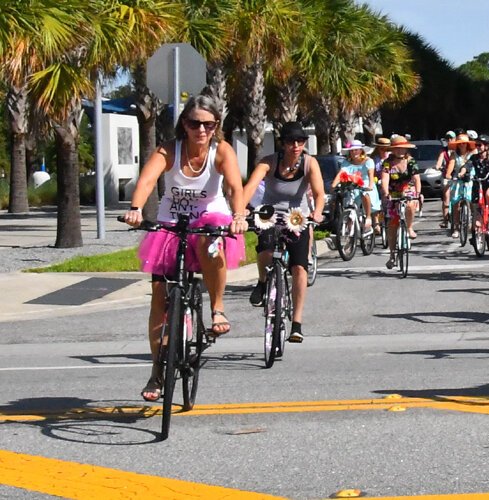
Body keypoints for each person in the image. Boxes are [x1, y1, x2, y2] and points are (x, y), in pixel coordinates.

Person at [123, 94, 248, 402]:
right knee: (159, 300)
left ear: (216, 126)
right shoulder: (169, 149)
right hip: (172, 223)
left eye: (208, 124)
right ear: (184, 124)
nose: (201, 130)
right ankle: (157, 370)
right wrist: (136, 208)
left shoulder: (222, 151)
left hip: (209, 218)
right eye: (194, 123)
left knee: (211, 239)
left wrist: (240, 214)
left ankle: (217, 307)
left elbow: (234, 187)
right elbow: (148, 180)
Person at [244, 122, 326, 344]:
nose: (296, 146)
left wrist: (317, 212)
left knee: (299, 267)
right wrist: (240, 210)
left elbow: (319, 193)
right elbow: (250, 186)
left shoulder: (310, 163)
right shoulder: (269, 162)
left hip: (298, 216)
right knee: (265, 250)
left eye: (300, 141)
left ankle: (296, 323)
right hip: (270, 214)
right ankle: (262, 282)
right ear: (282, 143)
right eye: (291, 141)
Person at [381, 136, 423, 268]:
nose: (400, 151)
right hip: (393, 192)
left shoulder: (411, 161)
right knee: (392, 225)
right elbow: (384, 180)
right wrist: (386, 193)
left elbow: (416, 179)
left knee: (410, 204)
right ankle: (392, 255)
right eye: (397, 148)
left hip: (408, 189)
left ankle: (409, 227)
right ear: (393, 150)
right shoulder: (388, 163)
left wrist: (418, 193)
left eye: (402, 148)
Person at [334, 139, 380, 235]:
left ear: (361, 150)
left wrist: (370, 185)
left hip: (365, 184)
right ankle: (350, 238)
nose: (354, 152)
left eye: (356, 150)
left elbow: (370, 174)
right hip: (352, 185)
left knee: (364, 193)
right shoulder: (346, 162)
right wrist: (333, 185)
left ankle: (368, 217)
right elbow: (341, 173)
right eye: (351, 150)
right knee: (349, 205)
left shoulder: (368, 161)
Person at [442, 132, 481, 238]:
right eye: (460, 143)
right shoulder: (454, 155)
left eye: (464, 143)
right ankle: (456, 227)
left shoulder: (473, 153)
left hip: (471, 180)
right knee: (456, 203)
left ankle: (474, 223)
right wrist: (449, 175)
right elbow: (451, 166)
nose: (462, 145)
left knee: (474, 202)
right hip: (458, 180)